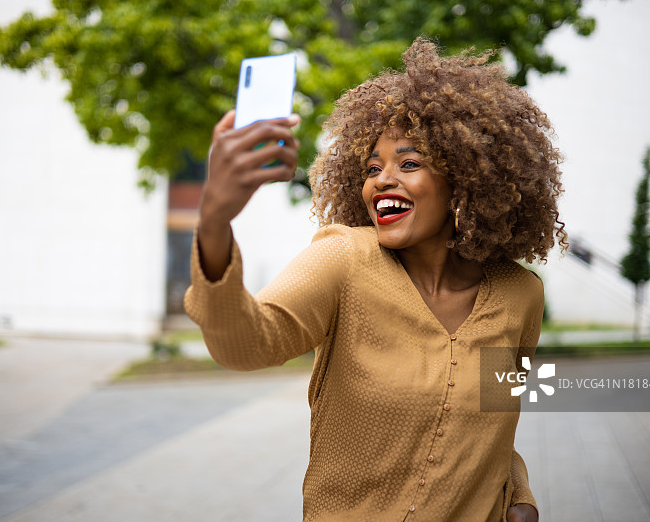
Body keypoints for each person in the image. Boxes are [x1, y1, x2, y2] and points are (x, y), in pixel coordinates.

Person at [184, 37, 566, 522]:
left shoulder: (521, 295)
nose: (381, 180)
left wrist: (520, 496)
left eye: (409, 163)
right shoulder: (343, 259)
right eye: (371, 167)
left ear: (467, 181)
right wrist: (215, 219)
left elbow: (494, 428)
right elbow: (243, 346)